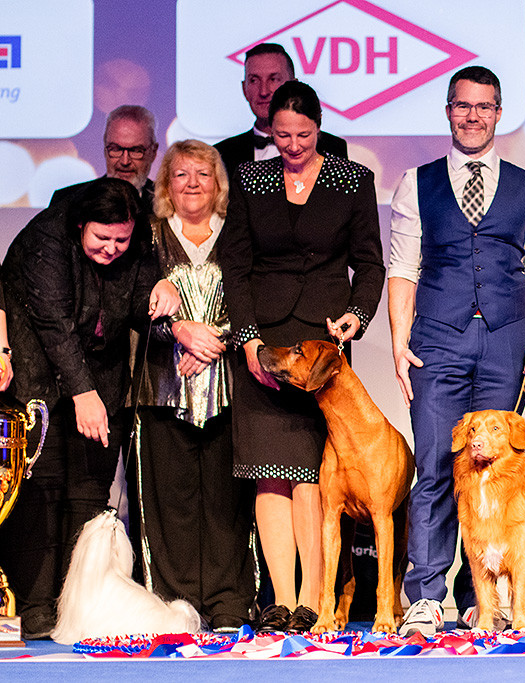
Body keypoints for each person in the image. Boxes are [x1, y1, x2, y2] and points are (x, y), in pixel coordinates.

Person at [389, 65, 525, 636]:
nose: (473, 116)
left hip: (507, 339)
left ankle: (482, 593)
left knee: (500, 469)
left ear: (499, 113)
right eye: (463, 105)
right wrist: (397, 339)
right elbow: (403, 270)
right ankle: (427, 592)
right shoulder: (417, 182)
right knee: (439, 462)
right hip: (438, 338)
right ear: (448, 111)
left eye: (485, 106)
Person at [220, 80, 384, 633]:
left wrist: (355, 317)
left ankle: (315, 598)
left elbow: (371, 264)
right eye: (282, 134)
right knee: (270, 473)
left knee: (315, 474)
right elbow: (235, 266)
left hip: (321, 349)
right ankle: (283, 600)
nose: (292, 144)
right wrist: (247, 340)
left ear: (320, 127)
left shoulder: (352, 179)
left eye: (304, 134)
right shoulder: (250, 180)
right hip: (265, 344)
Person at [0, 177, 181, 639]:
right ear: (81, 225)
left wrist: (163, 293)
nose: (112, 249)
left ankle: (78, 610)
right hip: (39, 376)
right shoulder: (46, 238)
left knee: (88, 493)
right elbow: (53, 326)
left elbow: (140, 304)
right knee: (42, 492)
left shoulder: (135, 242)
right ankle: (39, 608)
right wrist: (83, 394)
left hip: (102, 381)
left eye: (121, 240)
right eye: (102, 238)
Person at [131, 140, 256, 631]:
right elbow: (133, 302)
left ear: (218, 183)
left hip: (230, 390)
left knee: (227, 503)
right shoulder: (147, 237)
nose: (192, 184)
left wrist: (214, 340)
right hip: (163, 387)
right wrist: (180, 330)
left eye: (203, 174)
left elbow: (253, 298)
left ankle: (228, 605)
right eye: (181, 175)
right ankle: (176, 608)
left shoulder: (238, 234)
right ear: (165, 184)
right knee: (173, 503)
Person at [215, 43, 347, 179]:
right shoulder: (222, 154)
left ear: (294, 85)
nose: (264, 91)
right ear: (244, 88)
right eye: (254, 80)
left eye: (274, 79)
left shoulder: (332, 148)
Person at [50, 105, 159, 213]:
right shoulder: (66, 202)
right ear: (105, 149)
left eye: (136, 151)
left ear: (153, 152)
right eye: (116, 149)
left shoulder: (169, 202)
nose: (125, 161)